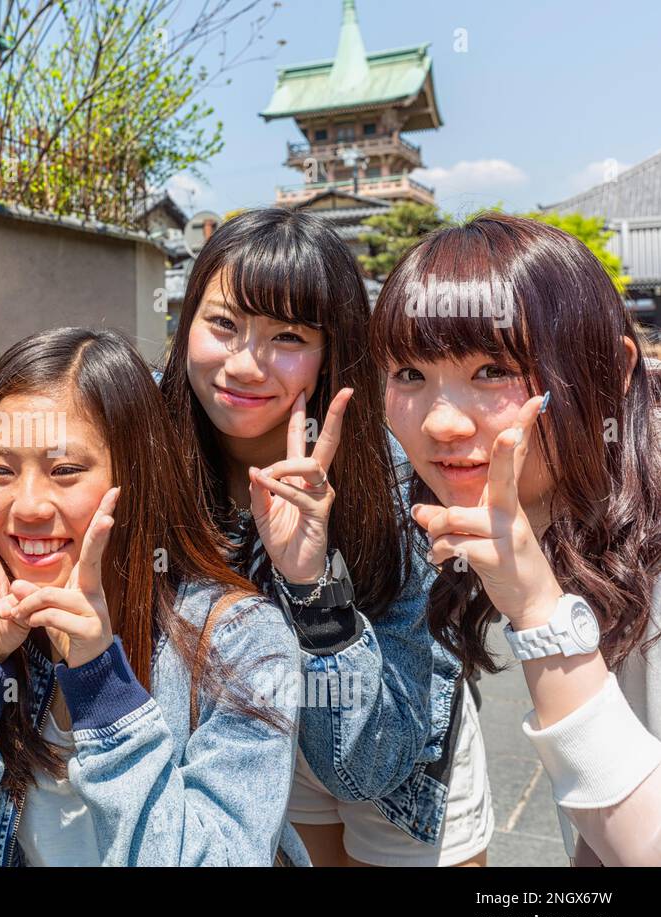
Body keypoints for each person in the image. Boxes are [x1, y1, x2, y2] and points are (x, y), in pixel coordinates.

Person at [0, 327, 303, 866]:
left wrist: (101, 687)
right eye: (0, 470)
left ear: (137, 476)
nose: (28, 507)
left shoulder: (241, 643)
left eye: (64, 470)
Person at [159, 207, 492, 866]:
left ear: (333, 350)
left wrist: (311, 584)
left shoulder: (389, 479)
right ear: (186, 321)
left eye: (287, 336)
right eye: (223, 324)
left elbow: (364, 769)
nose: (246, 365)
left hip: (395, 739)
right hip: (262, 728)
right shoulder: (147, 446)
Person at [372, 211, 661, 866]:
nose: (442, 423)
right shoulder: (556, 525)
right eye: (410, 375)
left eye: (494, 370)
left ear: (612, 369)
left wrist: (539, 614)